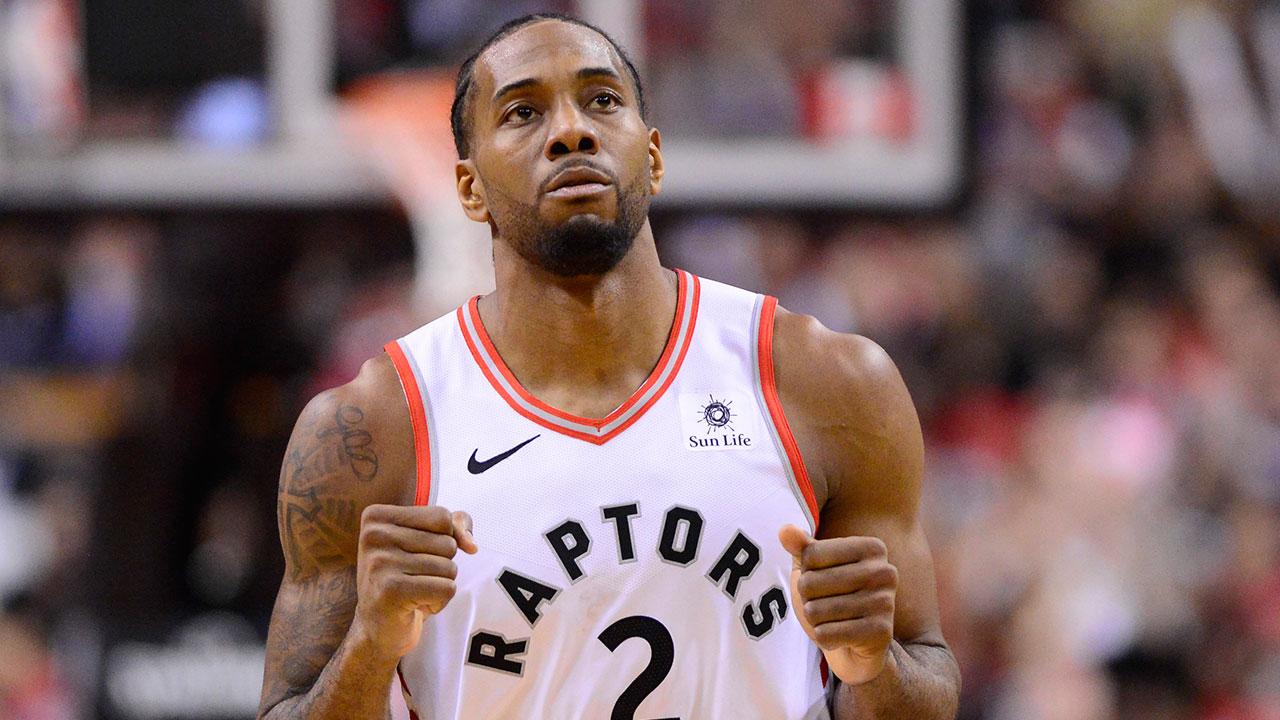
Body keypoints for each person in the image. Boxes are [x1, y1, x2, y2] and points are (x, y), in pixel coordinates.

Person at [258, 13, 960, 720]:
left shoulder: (825, 382)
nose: (571, 131)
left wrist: (872, 665)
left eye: (602, 100)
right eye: (523, 111)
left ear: (652, 156)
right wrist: (372, 646)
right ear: (468, 191)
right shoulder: (375, 426)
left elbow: (925, 687)